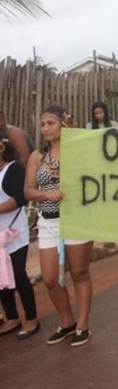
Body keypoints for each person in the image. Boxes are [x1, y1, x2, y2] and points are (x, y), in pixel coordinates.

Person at [24, 105, 93, 347]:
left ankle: (83, 325)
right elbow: (28, 190)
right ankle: (67, 322)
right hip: (48, 222)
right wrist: (47, 195)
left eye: (50, 123)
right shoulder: (37, 157)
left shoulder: (78, 150)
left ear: (63, 123)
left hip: (77, 219)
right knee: (51, 278)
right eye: (43, 124)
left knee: (79, 272)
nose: (45, 128)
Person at [0, 138, 38, 340]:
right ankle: (12, 317)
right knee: (1, 277)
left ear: (1, 146)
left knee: (17, 273)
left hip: (14, 231)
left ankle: (31, 318)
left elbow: (19, 199)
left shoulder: (14, 169)